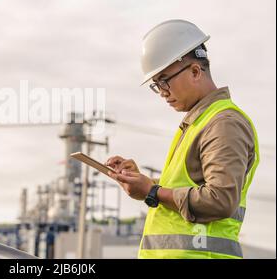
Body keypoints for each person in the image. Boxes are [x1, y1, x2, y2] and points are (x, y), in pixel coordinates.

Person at [105, 19, 260, 259]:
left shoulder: (224, 123)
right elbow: (188, 187)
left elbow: (220, 200)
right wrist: (145, 185)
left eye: (164, 80)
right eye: (156, 85)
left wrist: (153, 191)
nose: (162, 92)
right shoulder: (199, 122)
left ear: (195, 71)